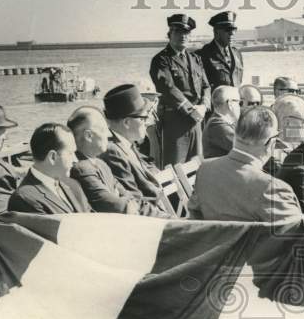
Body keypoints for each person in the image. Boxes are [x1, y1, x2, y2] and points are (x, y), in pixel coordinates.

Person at [187, 107, 304, 225]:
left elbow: (195, 217)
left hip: (213, 243)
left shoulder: (205, 170)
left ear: (235, 135)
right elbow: (298, 234)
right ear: (271, 143)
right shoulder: (272, 188)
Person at [68, 106, 168, 216]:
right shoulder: (82, 168)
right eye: (103, 129)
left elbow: (129, 196)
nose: (108, 134)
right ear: (88, 136)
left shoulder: (101, 164)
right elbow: (116, 205)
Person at [100, 84, 177, 216]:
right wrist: (172, 220)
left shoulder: (125, 144)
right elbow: (135, 200)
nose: (147, 122)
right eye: (144, 118)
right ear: (126, 123)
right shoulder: (113, 152)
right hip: (151, 221)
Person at [149, 13, 211, 166]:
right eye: (178, 32)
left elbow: (206, 86)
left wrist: (204, 106)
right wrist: (191, 110)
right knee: (175, 168)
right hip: (174, 122)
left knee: (196, 166)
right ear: (169, 34)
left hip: (196, 121)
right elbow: (167, 88)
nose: (183, 36)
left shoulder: (196, 59)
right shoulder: (161, 60)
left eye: (186, 32)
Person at [8, 123, 91, 214]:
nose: (75, 160)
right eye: (70, 153)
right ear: (52, 157)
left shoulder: (73, 185)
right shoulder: (24, 199)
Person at [199, 10, 245, 89]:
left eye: (233, 30)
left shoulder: (237, 53)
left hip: (235, 99)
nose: (232, 33)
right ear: (216, 32)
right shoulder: (203, 54)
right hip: (215, 100)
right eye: (228, 30)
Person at [202, 85, 241, 159]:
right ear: (230, 104)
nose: (240, 107)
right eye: (239, 102)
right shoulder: (216, 125)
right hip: (224, 170)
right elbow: (245, 148)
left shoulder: (221, 121)